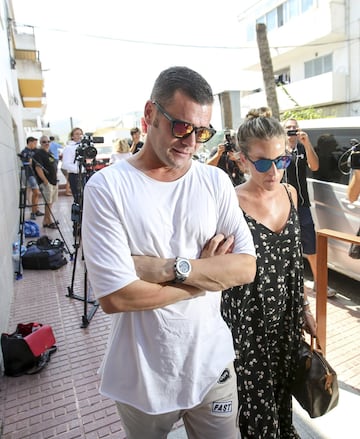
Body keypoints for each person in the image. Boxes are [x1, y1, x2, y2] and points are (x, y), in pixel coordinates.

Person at [82, 66, 257, 439]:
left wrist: (166, 268)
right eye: (182, 126)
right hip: (142, 375)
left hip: (211, 365)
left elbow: (245, 267)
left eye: (203, 131)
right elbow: (116, 297)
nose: (192, 141)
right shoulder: (107, 188)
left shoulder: (214, 182)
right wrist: (206, 277)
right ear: (150, 115)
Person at [221, 111, 317, 438]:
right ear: (242, 159)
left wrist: (304, 308)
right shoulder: (229, 203)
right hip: (247, 324)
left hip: (286, 318)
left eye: (282, 160)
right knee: (255, 406)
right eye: (262, 163)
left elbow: (294, 259)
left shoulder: (290, 193)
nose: (273, 171)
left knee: (282, 395)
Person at [283, 118, 337, 297]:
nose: (292, 130)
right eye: (288, 127)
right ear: (282, 131)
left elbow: (315, 166)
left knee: (311, 245)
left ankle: (319, 283)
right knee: (288, 244)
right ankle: (290, 284)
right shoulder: (278, 149)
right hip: (283, 205)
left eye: (294, 127)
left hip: (303, 204)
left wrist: (306, 144)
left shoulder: (302, 148)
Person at [32, 135, 59, 229]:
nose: (46, 143)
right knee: (48, 203)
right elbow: (38, 168)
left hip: (53, 182)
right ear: (40, 143)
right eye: (44, 142)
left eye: (48, 141)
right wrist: (46, 182)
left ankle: (46, 220)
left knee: (50, 203)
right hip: (47, 183)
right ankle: (49, 221)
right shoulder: (38, 154)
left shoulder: (49, 152)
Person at [19, 136, 44, 220]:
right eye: (34, 143)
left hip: (35, 174)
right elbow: (26, 163)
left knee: (37, 193)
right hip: (30, 174)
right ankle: (33, 212)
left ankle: (36, 210)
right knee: (35, 192)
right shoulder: (25, 152)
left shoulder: (34, 151)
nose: (35, 145)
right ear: (30, 142)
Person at [61, 127, 84, 203]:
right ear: (72, 136)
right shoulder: (69, 148)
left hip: (85, 175)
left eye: (80, 134)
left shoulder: (84, 146)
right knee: (78, 200)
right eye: (77, 134)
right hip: (75, 176)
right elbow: (65, 164)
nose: (79, 136)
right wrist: (79, 169)